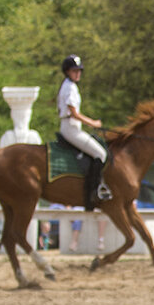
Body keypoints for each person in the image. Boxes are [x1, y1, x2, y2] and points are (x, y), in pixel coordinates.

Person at [56, 54, 112, 207]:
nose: (78, 73)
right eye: (75, 70)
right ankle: (94, 190)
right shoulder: (69, 87)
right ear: (67, 71)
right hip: (70, 128)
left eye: (79, 70)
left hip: (72, 127)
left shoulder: (70, 86)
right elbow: (73, 113)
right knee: (100, 154)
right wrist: (92, 122)